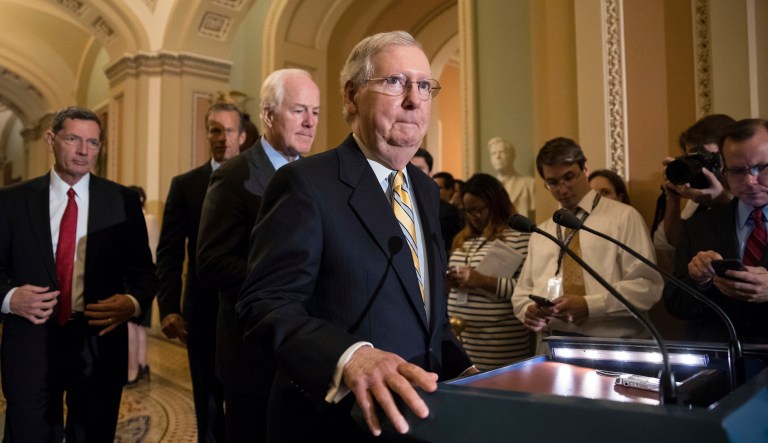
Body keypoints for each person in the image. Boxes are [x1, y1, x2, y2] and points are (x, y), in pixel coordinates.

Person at [236, 31, 474, 441]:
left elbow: (426, 315)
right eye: (395, 82)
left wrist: (467, 373)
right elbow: (265, 304)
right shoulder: (306, 183)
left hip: (419, 416)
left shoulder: (425, 189)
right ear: (350, 96)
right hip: (335, 422)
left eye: (423, 86)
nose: (414, 100)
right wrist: (349, 357)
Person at [0, 106, 157, 441]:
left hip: (98, 343)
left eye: (93, 143)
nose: (84, 151)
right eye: (73, 139)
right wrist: (10, 298)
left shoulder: (122, 200)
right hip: (30, 345)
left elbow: (144, 272)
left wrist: (132, 303)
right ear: (50, 139)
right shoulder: (10, 202)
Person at [197, 68, 320, 442]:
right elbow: (211, 263)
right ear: (268, 115)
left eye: (315, 112)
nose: (310, 122)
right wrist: (281, 281)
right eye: (299, 110)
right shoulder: (234, 176)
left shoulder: (316, 175)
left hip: (309, 354)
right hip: (254, 358)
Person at [511, 137, 663, 340]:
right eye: (553, 183)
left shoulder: (623, 217)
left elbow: (646, 286)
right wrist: (528, 310)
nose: (562, 189)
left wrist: (590, 305)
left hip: (614, 342)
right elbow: (522, 292)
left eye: (569, 177)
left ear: (585, 169)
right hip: (554, 342)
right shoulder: (543, 231)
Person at [156, 102, 244, 442]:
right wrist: (169, 307)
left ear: (242, 135)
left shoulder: (261, 180)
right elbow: (170, 251)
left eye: (229, 130)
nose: (222, 138)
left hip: (247, 311)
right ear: (207, 135)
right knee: (207, 403)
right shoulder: (186, 185)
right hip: (202, 313)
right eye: (215, 130)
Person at [663, 118, 768, 342]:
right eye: (738, 171)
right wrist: (698, 282)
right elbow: (676, 304)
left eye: (762, 168)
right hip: (719, 364)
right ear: (724, 171)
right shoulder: (698, 226)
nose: (750, 181)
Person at [446, 173, 532, 370]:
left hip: (498, 341)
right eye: (467, 211)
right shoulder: (462, 238)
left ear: (496, 204)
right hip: (462, 336)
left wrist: (481, 280)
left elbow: (524, 289)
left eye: (477, 210)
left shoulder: (518, 238)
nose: (472, 217)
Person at [652, 114, 736, 252]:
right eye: (694, 158)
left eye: (707, 158)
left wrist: (720, 200)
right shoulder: (698, 197)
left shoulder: (752, 190)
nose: (701, 166)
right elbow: (675, 243)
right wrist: (672, 199)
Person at [126, 185, 159, 387]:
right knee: (134, 327)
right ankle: (139, 366)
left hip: (143, 280)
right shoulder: (130, 220)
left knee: (135, 326)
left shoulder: (148, 220)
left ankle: (134, 369)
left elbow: (153, 252)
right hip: (131, 278)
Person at [411, 148, 463, 253]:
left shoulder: (446, 211)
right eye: (407, 168)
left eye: (419, 169)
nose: (412, 173)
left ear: (430, 174)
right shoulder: (391, 204)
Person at [488, 136, 536, 220]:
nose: (498, 157)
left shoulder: (529, 184)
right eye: (493, 153)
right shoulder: (488, 188)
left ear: (512, 156)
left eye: (502, 152)